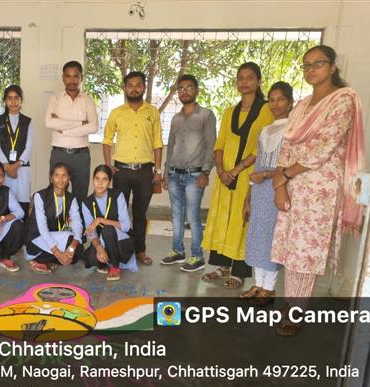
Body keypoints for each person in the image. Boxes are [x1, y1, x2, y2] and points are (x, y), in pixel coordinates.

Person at [271, 46, 365, 336]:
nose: (311, 69)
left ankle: (296, 309)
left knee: (306, 250)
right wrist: (281, 183)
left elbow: (323, 147)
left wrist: (285, 175)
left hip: (319, 188)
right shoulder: (302, 104)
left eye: (318, 63)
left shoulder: (344, 100)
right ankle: (290, 302)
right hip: (292, 184)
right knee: (290, 247)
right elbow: (288, 144)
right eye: (307, 65)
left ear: (333, 67)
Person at [201, 62, 275, 288]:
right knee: (223, 219)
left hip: (248, 177)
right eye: (241, 78)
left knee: (242, 221)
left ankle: (239, 272)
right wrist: (221, 171)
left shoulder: (266, 110)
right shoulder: (229, 112)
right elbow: (219, 144)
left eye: (249, 77)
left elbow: (262, 147)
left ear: (258, 81)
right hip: (225, 178)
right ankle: (222, 266)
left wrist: (235, 170)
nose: (244, 82)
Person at [102, 71, 163, 266]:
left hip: (145, 172)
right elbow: (107, 140)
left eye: (138, 85)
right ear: (125, 88)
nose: (134, 89)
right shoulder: (116, 113)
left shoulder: (152, 112)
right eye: (130, 85)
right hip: (121, 171)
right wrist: (108, 165)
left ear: (144, 87)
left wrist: (158, 171)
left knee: (140, 214)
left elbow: (157, 142)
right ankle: (121, 250)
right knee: (119, 214)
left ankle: (140, 251)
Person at [240, 82, 294, 302]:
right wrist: (248, 196)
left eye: (281, 99)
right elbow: (258, 165)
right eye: (271, 99)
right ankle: (258, 284)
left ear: (290, 102)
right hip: (259, 190)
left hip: (278, 188)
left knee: (272, 238)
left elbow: (289, 166)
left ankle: (269, 288)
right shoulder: (265, 130)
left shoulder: (292, 130)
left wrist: (265, 175)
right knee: (257, 236)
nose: (275, 104)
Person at [161, 74, 216, 272]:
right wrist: (166, 173)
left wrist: (205, 172)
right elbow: (171, 146)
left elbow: (211, 145)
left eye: (189, 87)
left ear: (196, 90)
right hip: (174, 174)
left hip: (195, 175)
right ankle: (177, 251)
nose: (184, 92)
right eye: (181, 89)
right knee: (176, 215)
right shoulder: (176, 119)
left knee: (193, 216)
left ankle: (197, 256)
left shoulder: (206, 115)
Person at [45, 61, 98, 202]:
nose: (72, 80)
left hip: (81, 156)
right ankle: (57, 217)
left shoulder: (88, 101)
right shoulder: (55, 99)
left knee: (80, 196)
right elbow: (49, 122)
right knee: (56, 193)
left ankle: (76, 218)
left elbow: (93, 127)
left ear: (82, 78)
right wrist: (80, 123)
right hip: (59, 153)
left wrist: (63, 130)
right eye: (68, 76)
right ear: (63, 78)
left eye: (76, 76)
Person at [25, 162, 84, 274]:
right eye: (57, 175)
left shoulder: (71, 198)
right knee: (71, 242)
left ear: (69, 178)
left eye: (64, 175)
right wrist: (58, 253)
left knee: (78, 248)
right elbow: (42, 228)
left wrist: (72, 247)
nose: (60, 179)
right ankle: (46, 259)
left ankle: (45, 261)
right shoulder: (40, 196)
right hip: (37, 239)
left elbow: (77, 223)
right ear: (51, 178)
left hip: (56, 236)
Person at [82, 165, 137, 281]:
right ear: (93, 180)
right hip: (103, 242)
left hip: (122, 243)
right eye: (97, 179)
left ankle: (115, 266)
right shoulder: (86, 203)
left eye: (104, 179)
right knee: (90, 258)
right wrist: (98, 247)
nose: (100, 183)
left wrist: (101, 220)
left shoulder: (118, 196)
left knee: (108, 229)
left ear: (110, 182)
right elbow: (91, 232)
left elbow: (126, 226)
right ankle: (107, 260)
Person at [0, 85, 33, 216]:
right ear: (5, 100)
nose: (13, 102)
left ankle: (22, 227)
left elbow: (29, 146)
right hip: (4, 168)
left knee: (22, 202)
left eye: (16, 98)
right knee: (4, 202)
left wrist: (16, 165)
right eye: (10, 98)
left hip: (22, 168)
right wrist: (7, 166)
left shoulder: (28, 121)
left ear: (21, 100)